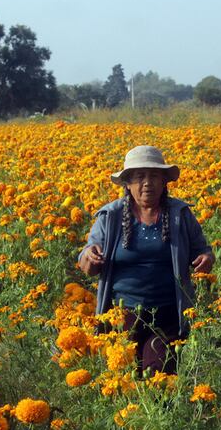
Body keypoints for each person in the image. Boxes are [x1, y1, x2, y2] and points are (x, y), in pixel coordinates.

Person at [78, 145, 214, 374]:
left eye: (154, 176)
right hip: (123, 314)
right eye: (139, 177)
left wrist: (205, 258)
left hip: (168, 312)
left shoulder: (180, 214)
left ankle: (163, 408)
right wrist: (90, 257)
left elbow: (203, 250)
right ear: (128, 184)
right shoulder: (110, 216)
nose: (147, 183)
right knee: (126, 377)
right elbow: (86, 260)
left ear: (164, 182)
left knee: (158, 373)